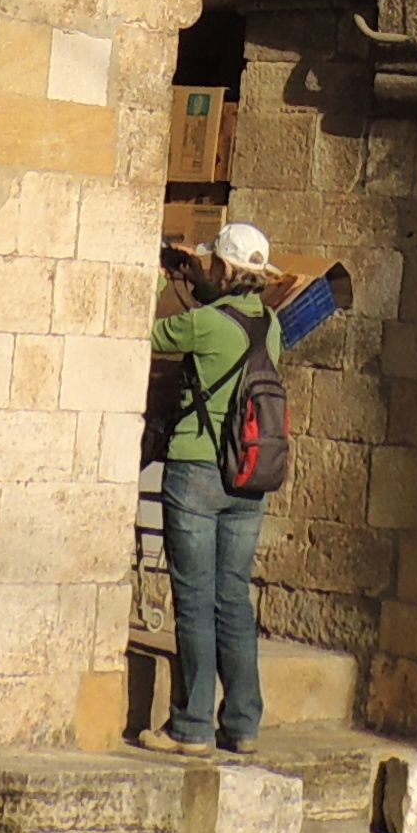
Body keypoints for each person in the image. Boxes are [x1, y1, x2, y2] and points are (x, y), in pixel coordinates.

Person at [147, 218, 280, 757]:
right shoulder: (271, 324)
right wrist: (203, 279)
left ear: (223, 267)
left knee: (195, 598)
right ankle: (243, 723)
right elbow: (232, 319)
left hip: (197, 469)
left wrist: (163, 277)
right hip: (250, 477)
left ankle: (193, 725)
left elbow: (148, 333)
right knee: (233, 597)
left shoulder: (202, 325)